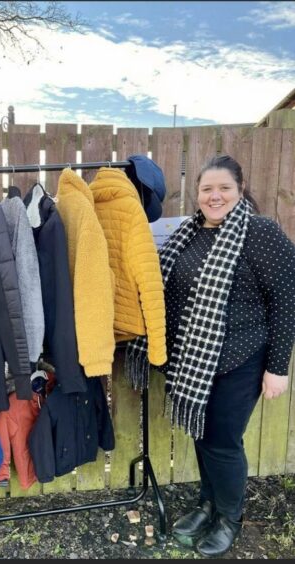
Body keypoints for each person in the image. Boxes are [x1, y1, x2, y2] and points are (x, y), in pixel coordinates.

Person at [129, 155, 295, 557]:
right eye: (207, 189)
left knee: (222, 441)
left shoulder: (260, 232)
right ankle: (208, 504)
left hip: (241, 358)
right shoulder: (188, 232)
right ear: (197, 194)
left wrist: (277, 368)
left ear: (239, 191)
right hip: (195, 360)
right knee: (203, 436)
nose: (214, 196)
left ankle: (230, 518)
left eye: (224, 188)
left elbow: (286, 301)